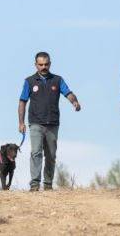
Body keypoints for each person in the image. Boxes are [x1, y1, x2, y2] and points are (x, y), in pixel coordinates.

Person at [18, 52, 81, 191]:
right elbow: (22, 102)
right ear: (36, 65)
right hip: (35, 123)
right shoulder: (29, 81)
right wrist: (21, 122)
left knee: (51, 155)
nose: (43, 67)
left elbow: (68, 93)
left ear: (50, 64)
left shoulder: (57, 80)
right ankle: (34, 184)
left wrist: (74, 101)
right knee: (36, 152)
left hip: (52, 123)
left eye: (46, 64)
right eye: (40, 65)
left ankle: (47, 185)